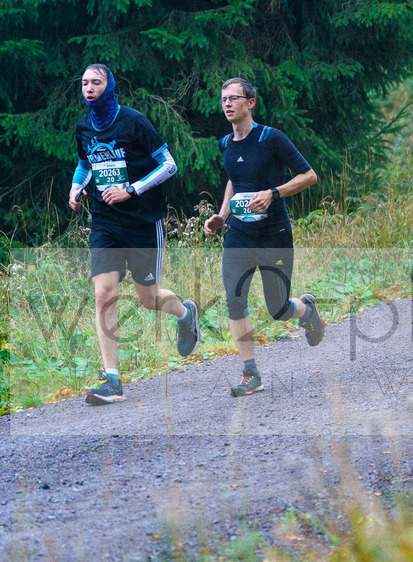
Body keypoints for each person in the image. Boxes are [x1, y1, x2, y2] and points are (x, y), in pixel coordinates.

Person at [69, 64, 200, 405]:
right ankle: (112, 379)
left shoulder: (134, 121)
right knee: (103, 293)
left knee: (148, 297)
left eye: (96, 82)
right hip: (105, 222)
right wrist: (75, 188)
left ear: (109, 85)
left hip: (143, 221)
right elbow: (86, 163)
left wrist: (132, 189)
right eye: (84, 83)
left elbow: (169, 164)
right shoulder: (84, 126)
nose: (89, 88)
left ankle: (185, 314)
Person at [203, 77, 323, 397]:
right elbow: (234, 180)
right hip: (239, 235)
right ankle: (250, 372)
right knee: (234, 298)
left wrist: (273, 193)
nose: (227, 104)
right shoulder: (225, 144)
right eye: (223, 99)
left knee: (278, 308)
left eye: (234, 98)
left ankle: (306, 310)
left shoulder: (272, 138)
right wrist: (222, 215)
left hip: (274, 234)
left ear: (250, 103)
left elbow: (309, 176)